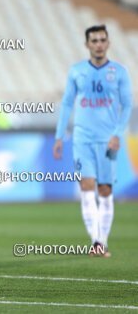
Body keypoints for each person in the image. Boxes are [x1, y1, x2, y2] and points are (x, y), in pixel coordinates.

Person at [53, 25, 132, 257]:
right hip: (82, 138)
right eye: (94, 40)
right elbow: (67, 103)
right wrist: (59, 136)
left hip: (107, 140)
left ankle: (102, 239)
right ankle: (96, 243)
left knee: (105, 189)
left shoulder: (119, 72)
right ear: (87, 44)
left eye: (102, 40)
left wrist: (117, 133)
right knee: (87, 187)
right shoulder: (76, 71)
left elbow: (127, 105)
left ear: (108, 43)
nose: (98, 44)